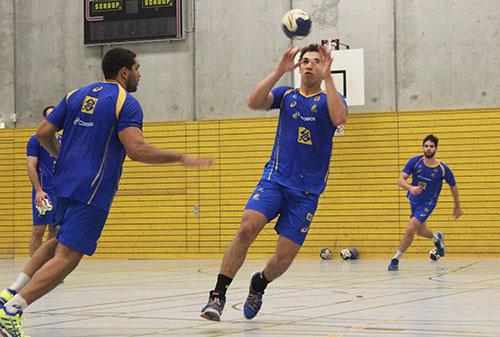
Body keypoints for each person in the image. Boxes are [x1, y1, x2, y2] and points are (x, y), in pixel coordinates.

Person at [0, 47, 213, 336]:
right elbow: (136, 150)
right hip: (93, 188)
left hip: (63, 182)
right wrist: (179, 157)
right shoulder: (126, 102)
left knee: (56, 242)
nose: (140, 74)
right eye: (137, 69)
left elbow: (42, 132)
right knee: (67, 259)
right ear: (124, 72)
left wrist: (59, 154)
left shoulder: (76, 94)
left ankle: (8, 294)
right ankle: (13, 310)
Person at [200, 44, 348, 321]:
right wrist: (279, 70)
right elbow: (253, 102)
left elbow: (340, 119)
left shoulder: (332, 99)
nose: (309, 65)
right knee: (247, 227)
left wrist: (329, 78)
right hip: (275, 180)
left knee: (283, 259)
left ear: (324, 66)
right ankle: (217, 296)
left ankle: (259, 284)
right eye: (305, 61)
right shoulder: (287, 96)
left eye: (316, 61)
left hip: (306, 192)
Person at [388, 134, 463, 271]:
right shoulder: (415, 162)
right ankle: (437, 238)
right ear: (423, 147)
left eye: (431, 146)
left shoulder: (442, 169)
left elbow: (453, 186)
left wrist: (457, 206)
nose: (428, 149)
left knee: (411, 227)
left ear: (436, 149)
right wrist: (411, 187)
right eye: (426, 146)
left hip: (428, 202)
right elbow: (400, 180)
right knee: (421, 231)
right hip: (414, 200)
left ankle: (395, 259)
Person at [26, 106, 58, 257]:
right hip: (44, 190)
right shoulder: (35, 140)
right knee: (39, 229)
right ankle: (33, 269)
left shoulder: (63, 141)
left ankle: (47, 268)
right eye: (50, 117)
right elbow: (31, 165)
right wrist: (38, 190)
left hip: (60, 191)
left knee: (55, 229)